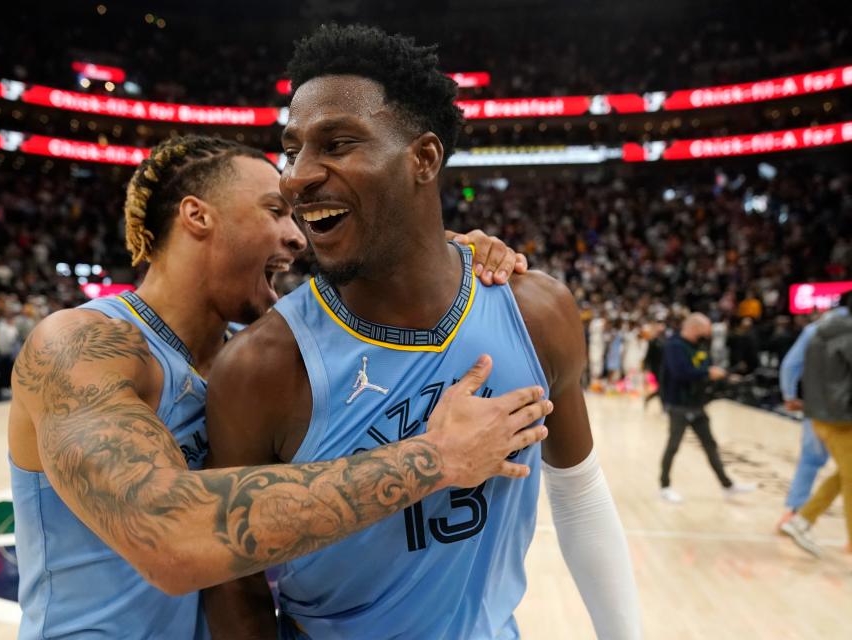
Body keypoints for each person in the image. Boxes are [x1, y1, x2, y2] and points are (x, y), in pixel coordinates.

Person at [8, 134, 547, 639]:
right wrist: (434, 458)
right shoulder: (80, 345)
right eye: (275, 211)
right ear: (197, 215)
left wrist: (440, 255)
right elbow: (170, 538)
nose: (297, 234)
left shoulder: (256, 360)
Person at [204, 25, 640, 640]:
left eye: (337, 142)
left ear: (424, 158)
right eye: (292, 148)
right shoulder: (261, 366)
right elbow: (233, 581)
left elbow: (579, 495)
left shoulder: (535, 311)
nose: (298, 176)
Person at [780, 296, 852, 557]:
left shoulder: (815, 329)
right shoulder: (846, 333)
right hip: (842, 416)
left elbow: (790, 365)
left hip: (816, 413)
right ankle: (802, 521)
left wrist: (790, 396)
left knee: (819, 465)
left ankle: (796, 514)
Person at [658, 313, 756, 503]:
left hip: (697, 404)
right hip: (679, 404)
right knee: (673, 446)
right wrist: (707, 373)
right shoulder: (674, 346)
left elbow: (707, 368)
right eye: (706, 329)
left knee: (710, 445)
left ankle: (727, 485)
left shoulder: (700, 346)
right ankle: (665, 486)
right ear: (694, 327)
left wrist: (724, 376)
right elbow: (680, 373)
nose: (708, 333)